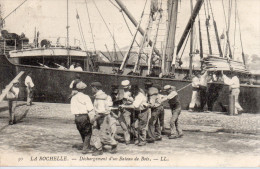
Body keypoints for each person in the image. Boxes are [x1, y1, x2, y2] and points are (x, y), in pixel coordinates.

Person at [90, 82, 117, 156]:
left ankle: (113, 144)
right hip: (101, 116)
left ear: (95, 88)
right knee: (95, 133)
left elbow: (101, 112)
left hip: (103, 118)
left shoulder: (100, 97)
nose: (91, 89)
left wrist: (94, 119)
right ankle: (99, 149)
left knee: (103, 135)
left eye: (92, 88)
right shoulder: (102, 96)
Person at [71, 82, 94, 154]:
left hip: (76, 117)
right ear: (84, 89)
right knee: (88, 132)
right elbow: (90, 108)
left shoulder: (73, 98)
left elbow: (72, 109)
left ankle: (86, 145)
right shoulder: (86, 97)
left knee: (82, 132)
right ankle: (85, 148)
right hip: (84, 116)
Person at [118, 80, 134, 145]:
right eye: (124, 87)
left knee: (128, 124)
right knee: (122, 122)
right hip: (122, 109)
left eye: (126, 87)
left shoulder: (132, 92)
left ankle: (129, 139)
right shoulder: (121, 92)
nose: (125, 88)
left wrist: (128, 100)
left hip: (128, 110)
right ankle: (127, 138)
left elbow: (133, 102)